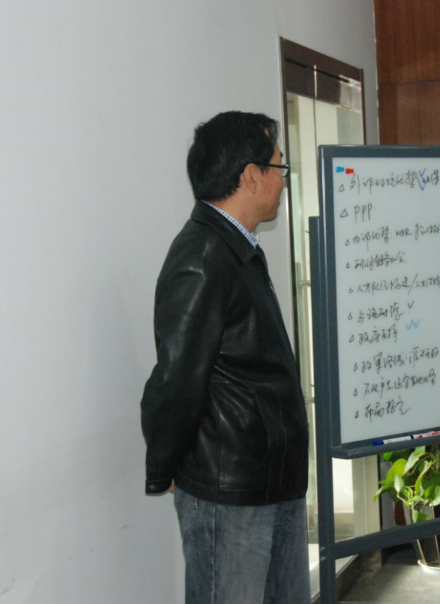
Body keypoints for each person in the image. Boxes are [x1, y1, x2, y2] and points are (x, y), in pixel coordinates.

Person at [140, 111, 309, 604]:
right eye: (279, 167)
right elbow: (176, 380)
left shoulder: (237, 249)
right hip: (230, 488)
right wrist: (165, 467)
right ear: (251, 176)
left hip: (270, 479)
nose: (283, 180)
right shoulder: (201, 257)